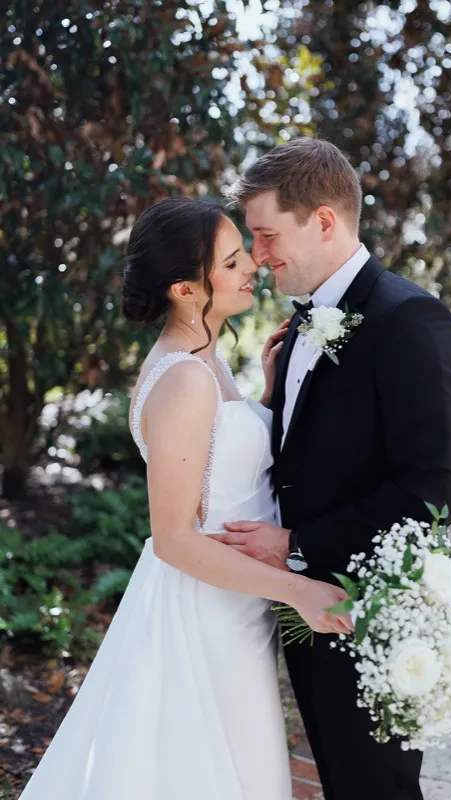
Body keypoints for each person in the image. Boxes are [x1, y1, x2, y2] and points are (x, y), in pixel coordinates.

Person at [19, 196, 353, 800]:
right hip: (203, 617)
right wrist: (300, 590)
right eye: (230, 262)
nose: (251, 264)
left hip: (235, 605)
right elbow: (174, 538)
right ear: (185, 289)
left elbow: (223, 474)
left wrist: (269, 398)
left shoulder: (204, 362)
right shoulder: (182, 381)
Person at [213, 137, 451, 800]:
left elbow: (431, 491)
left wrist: (297, 545)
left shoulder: (408, 319)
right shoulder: (302, 325)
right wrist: (275, 397)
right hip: (309, 611)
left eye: (267, 235)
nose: (258, 254)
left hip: (372, 616)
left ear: (323, 221)